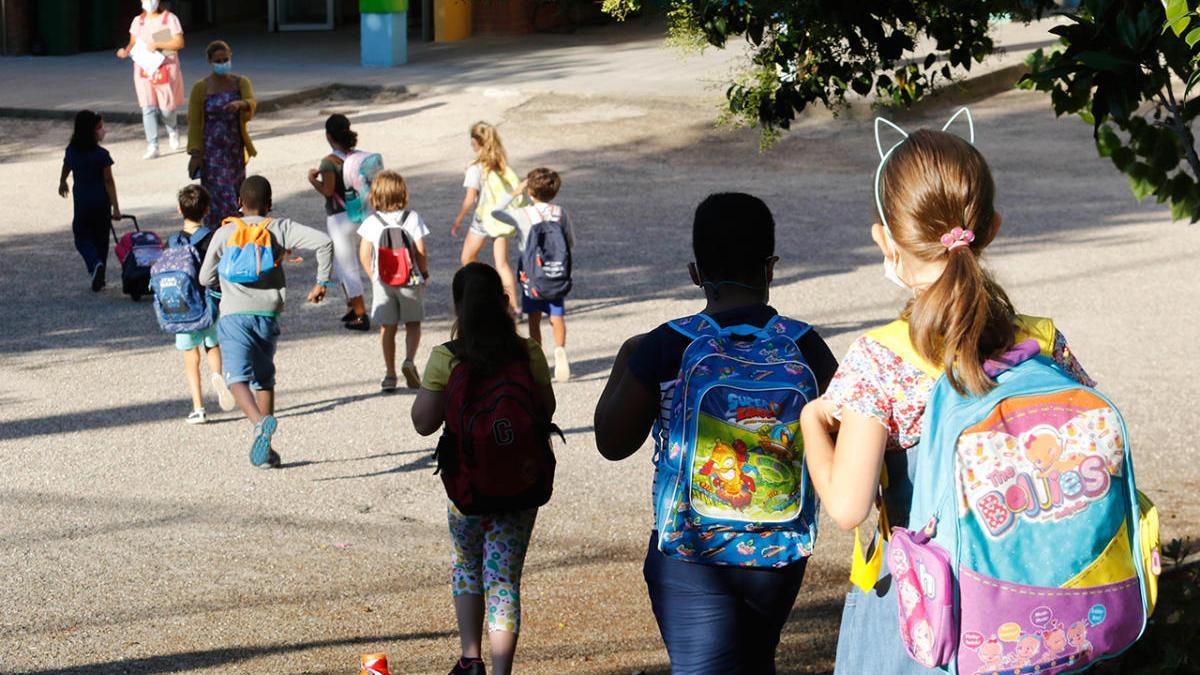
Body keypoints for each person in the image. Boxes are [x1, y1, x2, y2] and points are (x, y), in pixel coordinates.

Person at [797, 122, 1096, 673]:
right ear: (992, 229)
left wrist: (812, 420)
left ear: (885, 241)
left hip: (925, 616)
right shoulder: (1044, 343)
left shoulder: (880, 359)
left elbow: (847, 507)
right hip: (1037, 609)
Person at [592, 193, 839, 674]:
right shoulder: (805, 343)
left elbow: (612, 442)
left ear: (695, 271)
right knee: (756, 661)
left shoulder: (667, 343)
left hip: (690, 552)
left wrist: (627, 356)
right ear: (770, 268)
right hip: (780, 548)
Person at [411, 263, 556, 675]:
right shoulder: (527, 352)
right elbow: (547, 409)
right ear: (503, 302)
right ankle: (501, 670)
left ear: (459, 309)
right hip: (522, 482)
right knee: (504, 579)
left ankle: (470, 659)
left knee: (467, 565)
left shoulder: (447, 358)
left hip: (467, 485)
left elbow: (423, 422)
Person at [197, 176, 334, 468]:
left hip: (235, 315)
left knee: (236, 379)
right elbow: (324, 242)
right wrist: (321, 282)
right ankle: (267, 452)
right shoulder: (280, 228)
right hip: (268, 315)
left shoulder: (225, 233)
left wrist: (223, 285)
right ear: (269, 205)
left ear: (239, 203)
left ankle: (259, 424)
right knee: (264, 379)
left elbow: (204, 278)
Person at [491, 168, 575, 382]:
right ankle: (560, 349)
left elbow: (496, 212)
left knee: (534, 318)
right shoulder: (560, 213)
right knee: (557, 315)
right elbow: (570, 241)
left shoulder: (523, 214)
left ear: (529, 190)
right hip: (554, 270)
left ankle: (538, 359)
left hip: (531, 273)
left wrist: (514, 192)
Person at [356, 171, 429, 392]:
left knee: (387, 328)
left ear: (375, 196)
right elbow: (420, 250)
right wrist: (423, 272)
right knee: (413, 323)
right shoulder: (412, 218)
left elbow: (363, 253)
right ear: (403, 193)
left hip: (384, 281)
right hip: (410, 279)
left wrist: (373, 276)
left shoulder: (371, 222)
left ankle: (390, 374)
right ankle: (409, 360)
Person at [170, 184, 235, 423]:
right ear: (207, 210)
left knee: (190, 354)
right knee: (213, 344)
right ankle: (217, 375)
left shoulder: (173, 241)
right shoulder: (211, 238)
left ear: (179, 210)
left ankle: (198, 407)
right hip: (209, 302)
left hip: (184, 307)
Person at [450, 122, 523, 316]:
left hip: (483, 220)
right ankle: (514, 307)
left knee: (467, 259)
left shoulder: (476, 169)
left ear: (475, 142)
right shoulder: (500, 164)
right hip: (501, 219)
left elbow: (470, 199)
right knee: (502, 263)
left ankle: (481, 292)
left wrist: (458, 219)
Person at [308, 114, 369, 330]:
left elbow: (328, 191)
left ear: (328, 136)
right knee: (339, 263)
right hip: (360, 213)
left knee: (346, 264)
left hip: (339, 217)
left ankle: (361, 313)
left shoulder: (329, 162)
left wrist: (312, 180)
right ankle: (351, 305)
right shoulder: (357, 156)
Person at [187, 40, 256, 228]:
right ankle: (219, 233)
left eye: (226, 59)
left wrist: (241, 104)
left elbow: (251, 102)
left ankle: (236, 233)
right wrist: (195, 153)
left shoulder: (240, 82)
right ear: (210, 61)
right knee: (219, 195)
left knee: (236, 193)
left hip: (234, 150)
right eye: (218, 60)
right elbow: (194, 122)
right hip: (211, 153)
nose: (223, 63)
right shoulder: (201, 87)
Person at [58, 110, 121, 292]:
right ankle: (99, 272)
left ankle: (95, 265)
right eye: (100, 127)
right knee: (102, 239)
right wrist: (115, 207)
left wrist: (62, 182)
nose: (103, 131)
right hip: (101, 203)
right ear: (91, 131)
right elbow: (109, 181)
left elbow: (66, 166)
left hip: (83, 202)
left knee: (81, 237)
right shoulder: (102, 155)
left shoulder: (72, 151)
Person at [115, 0, 185, 160]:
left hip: (165, 67)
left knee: (167, 108)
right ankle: (152, 145)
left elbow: (179, 42)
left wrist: (158, 43)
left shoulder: (169, 19)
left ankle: (172, 129)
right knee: (148, 107)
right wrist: (125, 52)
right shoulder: (138, 21)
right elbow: (132, 43)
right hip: (144, 69)